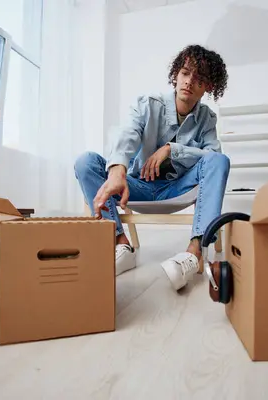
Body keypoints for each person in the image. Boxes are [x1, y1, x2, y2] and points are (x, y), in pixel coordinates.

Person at [74, 44, 230, 291]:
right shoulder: (148, 104)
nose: (189, 82)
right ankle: (120, 244)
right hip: (138, 186)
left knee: (219, 160)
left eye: (199, 79)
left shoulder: (207, 118)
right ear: (176, 74)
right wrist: (117, 171)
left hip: (178, 189)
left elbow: (213, 155)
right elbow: (128, 133)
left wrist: (171, 149)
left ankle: (193, 254)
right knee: (86, 162)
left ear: (208, 87)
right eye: (185, 73)